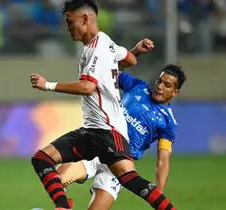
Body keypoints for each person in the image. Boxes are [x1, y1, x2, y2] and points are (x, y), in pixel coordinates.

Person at [29, 0, 177, 209]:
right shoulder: (106, 43)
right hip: (93, 132)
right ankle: (63, 207)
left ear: (85, 19)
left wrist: (48, 85)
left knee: (129, 178)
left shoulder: (96, 49)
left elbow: (88, 87)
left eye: (70, 22)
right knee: (42, 159)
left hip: (107, 133)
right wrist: (136, 50)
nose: (68, 28)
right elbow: (129, 60)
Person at [57, 62, 187, 210]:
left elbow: (163, 160)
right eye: (159, 81)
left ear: (175, 92)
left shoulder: (168, 122)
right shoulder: (138, 86)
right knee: (57, 179)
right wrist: (135, 53)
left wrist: (158, 194)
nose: (160, 86)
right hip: (97, 146)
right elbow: (109, 69)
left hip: (120, 166)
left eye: (167, 85)